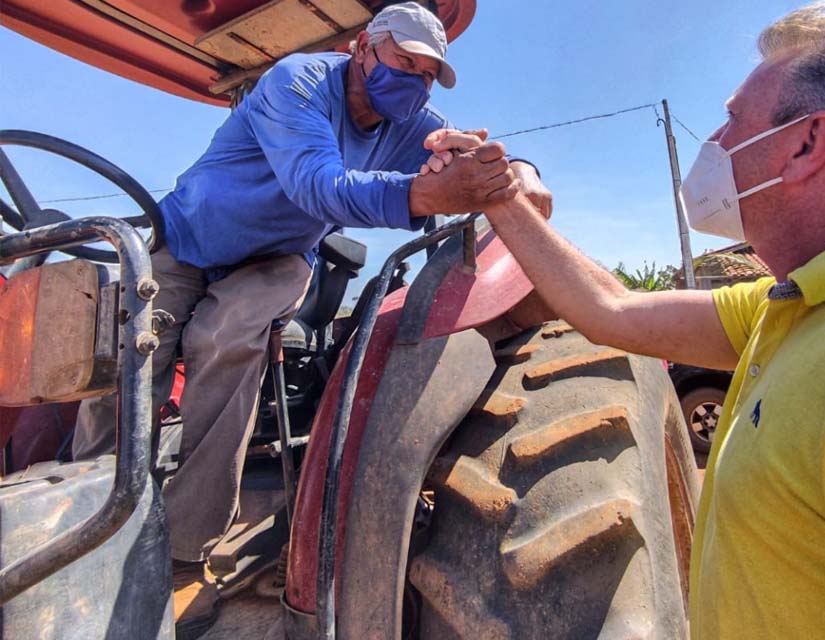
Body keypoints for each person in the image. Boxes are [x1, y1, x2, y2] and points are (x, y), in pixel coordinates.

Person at [428, 2, 825, 637]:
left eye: (733, 119)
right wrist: (503, 196)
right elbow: (612, 310)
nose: (716, 141)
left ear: (808, 143)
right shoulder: (799, 305)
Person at [70, 2, 542, 635]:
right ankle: (85, 516)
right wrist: (425, 193)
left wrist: (517, 172)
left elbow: (469, 152)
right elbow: (318, 185)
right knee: (132, 350)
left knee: (228, 339)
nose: (417, 82)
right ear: (361, 48)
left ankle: (184, 548)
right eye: (406, 62)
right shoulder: (297, 82)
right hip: (188, 239)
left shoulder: (410, 121)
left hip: (275, 258)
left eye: (429, 74)